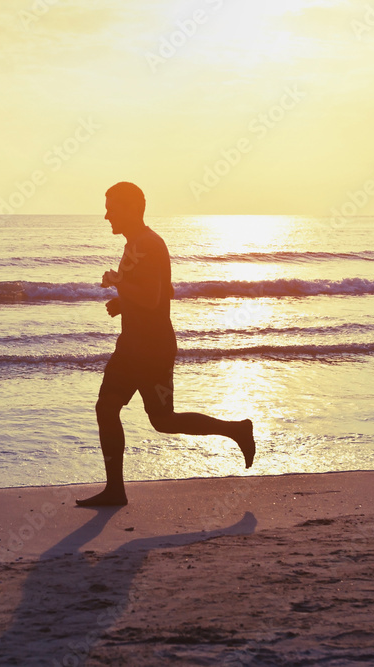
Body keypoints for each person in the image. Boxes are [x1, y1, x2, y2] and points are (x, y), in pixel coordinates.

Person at [76, 182, 255, 507]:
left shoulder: (150, 244)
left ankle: (238, 431)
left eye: (111, 207)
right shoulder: (134, 244)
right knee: (106, 407)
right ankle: (115, 490)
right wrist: (122, 302)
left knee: (164, 421)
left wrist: (118, 282)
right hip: (131, 346)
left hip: (153, 351)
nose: (106, 216)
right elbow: (162, 291)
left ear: (130, 209)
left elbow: (152, 295)